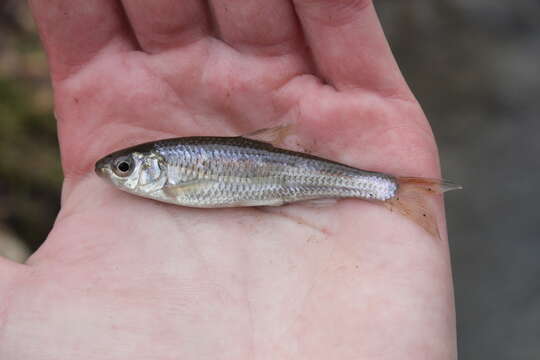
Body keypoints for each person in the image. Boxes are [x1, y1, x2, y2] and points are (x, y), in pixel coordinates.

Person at [0, 1, 456, 358]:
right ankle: (389, 189)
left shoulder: (172, 178)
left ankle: (388, 189)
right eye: (124, 168)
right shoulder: (171, 174)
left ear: (155, 169)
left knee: (376, 184)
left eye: (124, 168)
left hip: (286, 181)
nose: (118, 175)